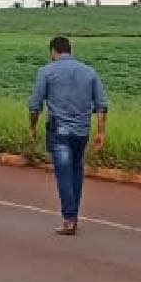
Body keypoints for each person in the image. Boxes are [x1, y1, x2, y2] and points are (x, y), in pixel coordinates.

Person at [28, 36, 108, 236]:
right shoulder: (89, 72)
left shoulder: (46, 71)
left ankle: (69, 219)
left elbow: (35, 105)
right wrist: (100, 132)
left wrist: (33, 127)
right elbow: (101, 105)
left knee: (63, 173)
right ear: (70, 50)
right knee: (76, 171)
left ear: (53, 51)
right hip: (82, 132)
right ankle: (73, 215)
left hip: (59, 131)